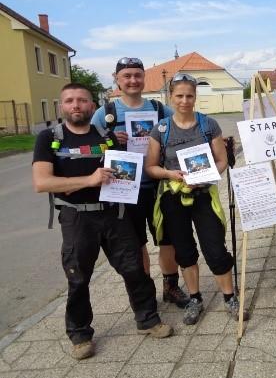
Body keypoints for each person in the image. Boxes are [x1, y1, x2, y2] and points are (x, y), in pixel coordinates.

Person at [32, 83, 173, 360]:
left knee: (134, 268)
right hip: (77, 218)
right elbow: (42, 182)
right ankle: (80, 335)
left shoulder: (107, 136)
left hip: (114, 213)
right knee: (78, 277)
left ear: (91, 106)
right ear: (62, 106)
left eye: (82, 100)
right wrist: (88, 180)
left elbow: (125, 170)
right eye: (70, 101)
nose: (76, 105)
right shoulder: (49, 137)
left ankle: (147, 319)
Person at [145, 73, 248, 325]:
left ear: (195, 97)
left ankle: (229, 297)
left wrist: (206, 177)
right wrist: (171, 173)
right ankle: (195, 298)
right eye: (179, 96)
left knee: (215, 248)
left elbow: (222, 160)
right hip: (173, 197)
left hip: (203, 195)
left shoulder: (208, 124)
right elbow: (150, 167)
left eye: (189, 95)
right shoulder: (161, 129)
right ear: (171, 97)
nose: (184, 100)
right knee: (184, 251)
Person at [92, 58, 189, 309]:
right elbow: (90, 147)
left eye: (137, 75)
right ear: (117, 79)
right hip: (125, 189)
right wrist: (110, 140)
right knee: (136, 244)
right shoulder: (106, 112)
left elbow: (183, 126)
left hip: (159, 185)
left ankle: (171, 287)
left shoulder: (159, 109)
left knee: (167, 239)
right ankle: (145, 294)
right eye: (127, 76)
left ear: (144, 77)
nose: (133, 80)